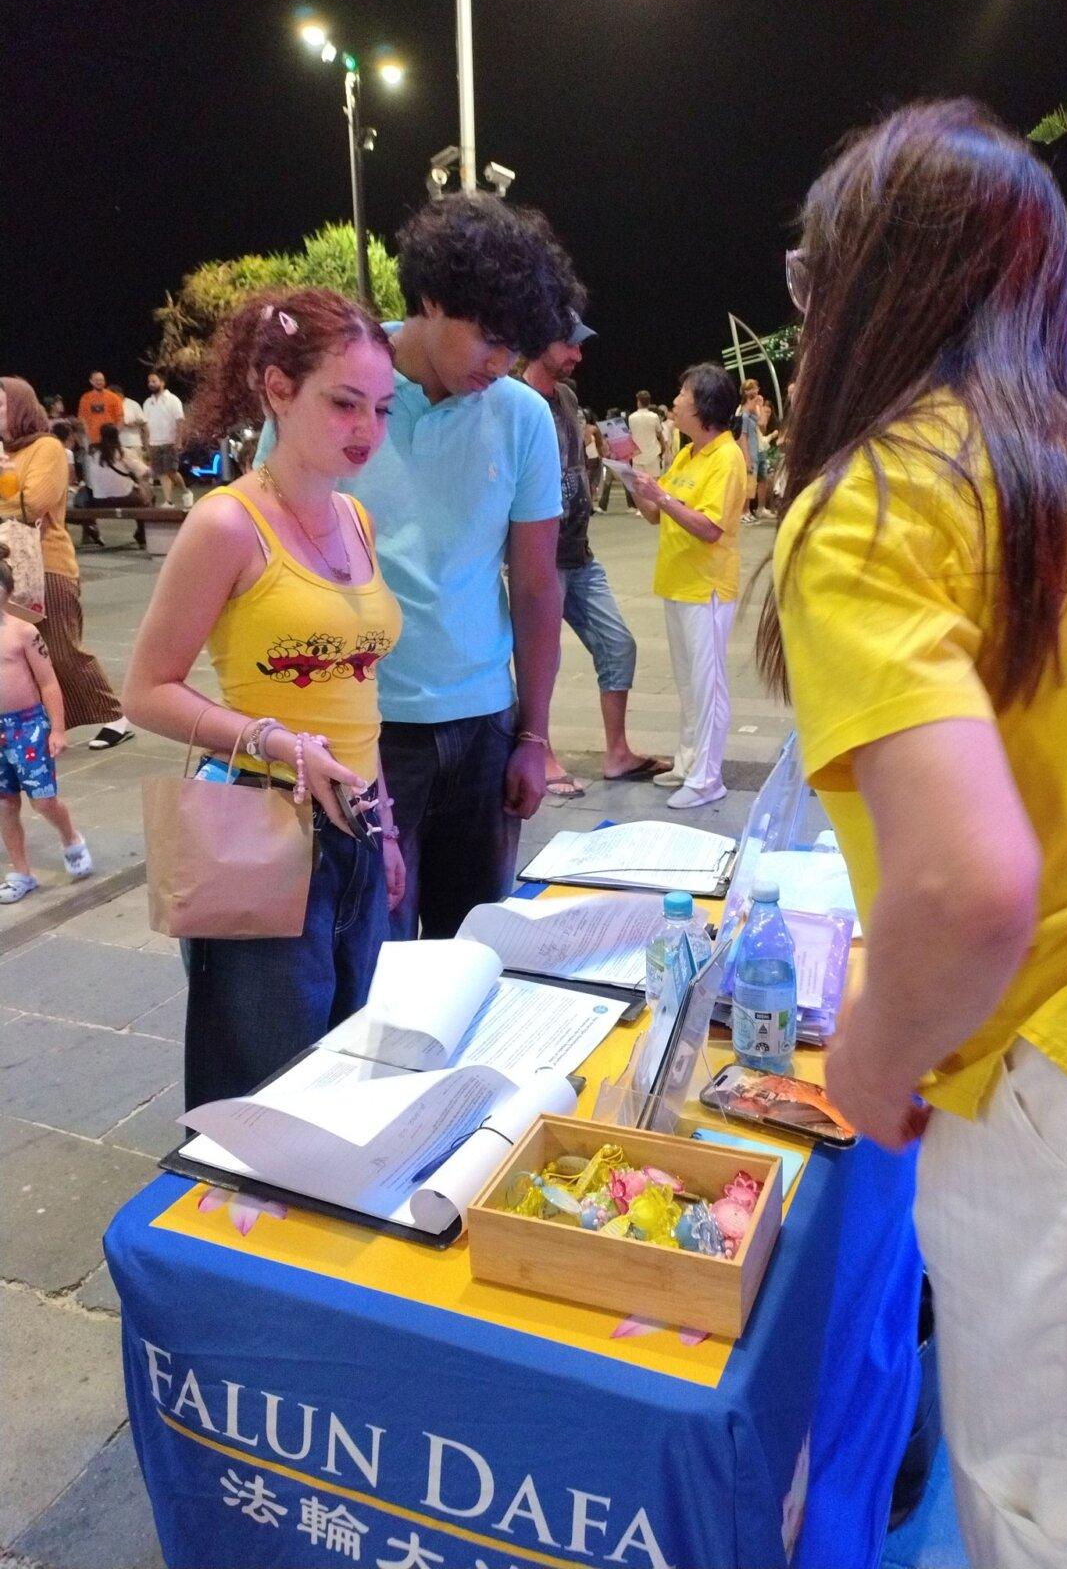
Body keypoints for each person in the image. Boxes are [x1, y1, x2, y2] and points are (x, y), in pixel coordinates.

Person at [758, 100, 1067, 1569]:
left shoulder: (881, 490)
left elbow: (964, 883)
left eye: (810, 282)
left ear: (864, 286)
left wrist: (872, 1065)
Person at [258, 194, 580, 941]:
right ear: (431, 298)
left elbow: (535, 586)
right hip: (364, 733)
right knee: (372, 957)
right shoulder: (340, 390)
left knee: (472, 951)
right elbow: (269, 563)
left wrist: (533, 737)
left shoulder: (521, 415)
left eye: (517, 348)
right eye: (489, 338)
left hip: (483, 728)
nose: (500, 364)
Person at [123, 288, 404, 1108]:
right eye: (344, 403)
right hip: (262, 831)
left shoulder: (356, 519)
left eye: (382, 409)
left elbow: (361, 691)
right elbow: (146, 691)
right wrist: (278, 743)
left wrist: (382, 825)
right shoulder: (228, 525)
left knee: (351, 1066)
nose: (367, 430)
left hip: (353, 826)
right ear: (278, 388)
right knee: (265, 1091)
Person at [522, 317, 668, 793]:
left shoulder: (565, 398)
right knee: (539, 661)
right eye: (570, 345)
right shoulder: (516, 402)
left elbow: (578, 461)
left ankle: (618, 753)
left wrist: (618, 462)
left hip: (580, 553)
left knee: (618, 644)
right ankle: (538, 754)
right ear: (541, 341)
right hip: (540, 558)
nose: (578, 356)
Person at [628, 363, 744, 808]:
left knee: (707, 683)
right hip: (677, 583)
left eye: (682, 394)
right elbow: (658, 514)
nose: (675, 401)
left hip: (706, 588)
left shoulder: (727, 458)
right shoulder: (687, 453)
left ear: (704, 406)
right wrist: (642, 490)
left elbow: (711, 527)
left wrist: (664, 498)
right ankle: (688, 762)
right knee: (687, 683)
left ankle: (708, 778)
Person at [0, 378, 132, 750]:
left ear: (22, 407)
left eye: (1, 405)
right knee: (16, 650)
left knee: (60, 648)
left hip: (47, 564)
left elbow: (33, 503)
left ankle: (114, 716)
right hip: (7, 566)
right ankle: (36, 722)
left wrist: (7, 478)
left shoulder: (46, 448)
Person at [0, 544, 93, 902]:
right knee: (6, 803)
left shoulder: (23, 633)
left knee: (43, 801)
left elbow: (48, 682)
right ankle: (21, 872)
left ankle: (70, 836)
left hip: (27, 726)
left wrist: (57, 727)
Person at [87, 421, 152, 547]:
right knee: (146, 500)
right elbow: (144, 472)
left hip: (99, 499)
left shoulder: (93, 454)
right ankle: (142, 535)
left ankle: (92, 529)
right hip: (125, 498)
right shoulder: (123, 453)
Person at [142, 370, 193, 508]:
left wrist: (179, 440)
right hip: (154, 443)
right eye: (149, 382)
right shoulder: (147, 403)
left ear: (162, 383)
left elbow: (180, 421)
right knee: (161, 473)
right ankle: (168, 501)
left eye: (154, 381)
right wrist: (147, 443)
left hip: (169, 441)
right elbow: (145, 425)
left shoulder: (173, 400)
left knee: (171, 471)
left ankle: (186, 491)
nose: (151, 384)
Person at [735, 379, 762, 521]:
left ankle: (747, 511)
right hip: (748, 451)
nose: (755, 391)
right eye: (751, 389)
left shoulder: (752, 412)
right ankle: (742, 511)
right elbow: (742, 436)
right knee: (746, 482)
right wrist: (746, 457)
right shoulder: (743, 413)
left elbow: (762, 423)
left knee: (752, 482)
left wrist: (760, 405)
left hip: (754, 448)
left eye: (756, 388)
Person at [77, 371, 123, 447]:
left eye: (101, 380)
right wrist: (88, 436)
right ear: (91, 381)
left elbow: (121, 418)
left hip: (110, 441)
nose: (99, 382)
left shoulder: (114, 397)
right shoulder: (85, 398)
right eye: (97, 380)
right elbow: (82, 419)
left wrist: (115, 435)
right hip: (93, 441)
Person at [628, 389, 665, 479]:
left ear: (638, 402)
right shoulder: (654, 416)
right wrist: (663, 450)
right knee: (653, 485)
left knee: (639, 486)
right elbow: (660, 435)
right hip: (652, 454)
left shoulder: (631, 417)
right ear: (649, 402)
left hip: (637, 456)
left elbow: (630, 437)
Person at [111, 382, 147, 462]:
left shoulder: (133, 404)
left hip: (133, 443)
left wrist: (132, 424)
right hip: (116, 445)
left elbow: (143, 422)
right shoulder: (109, 406)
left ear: (118, 394)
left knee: (137, 471)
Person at [581, 407, 604, 505]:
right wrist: (601, 455)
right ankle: (589, 503)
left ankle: (588, 503)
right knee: (593, 481)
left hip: (583, 457)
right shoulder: (593, 428)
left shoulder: (578, 428)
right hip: (594, 457)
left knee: (587, 481)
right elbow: (599, 443)